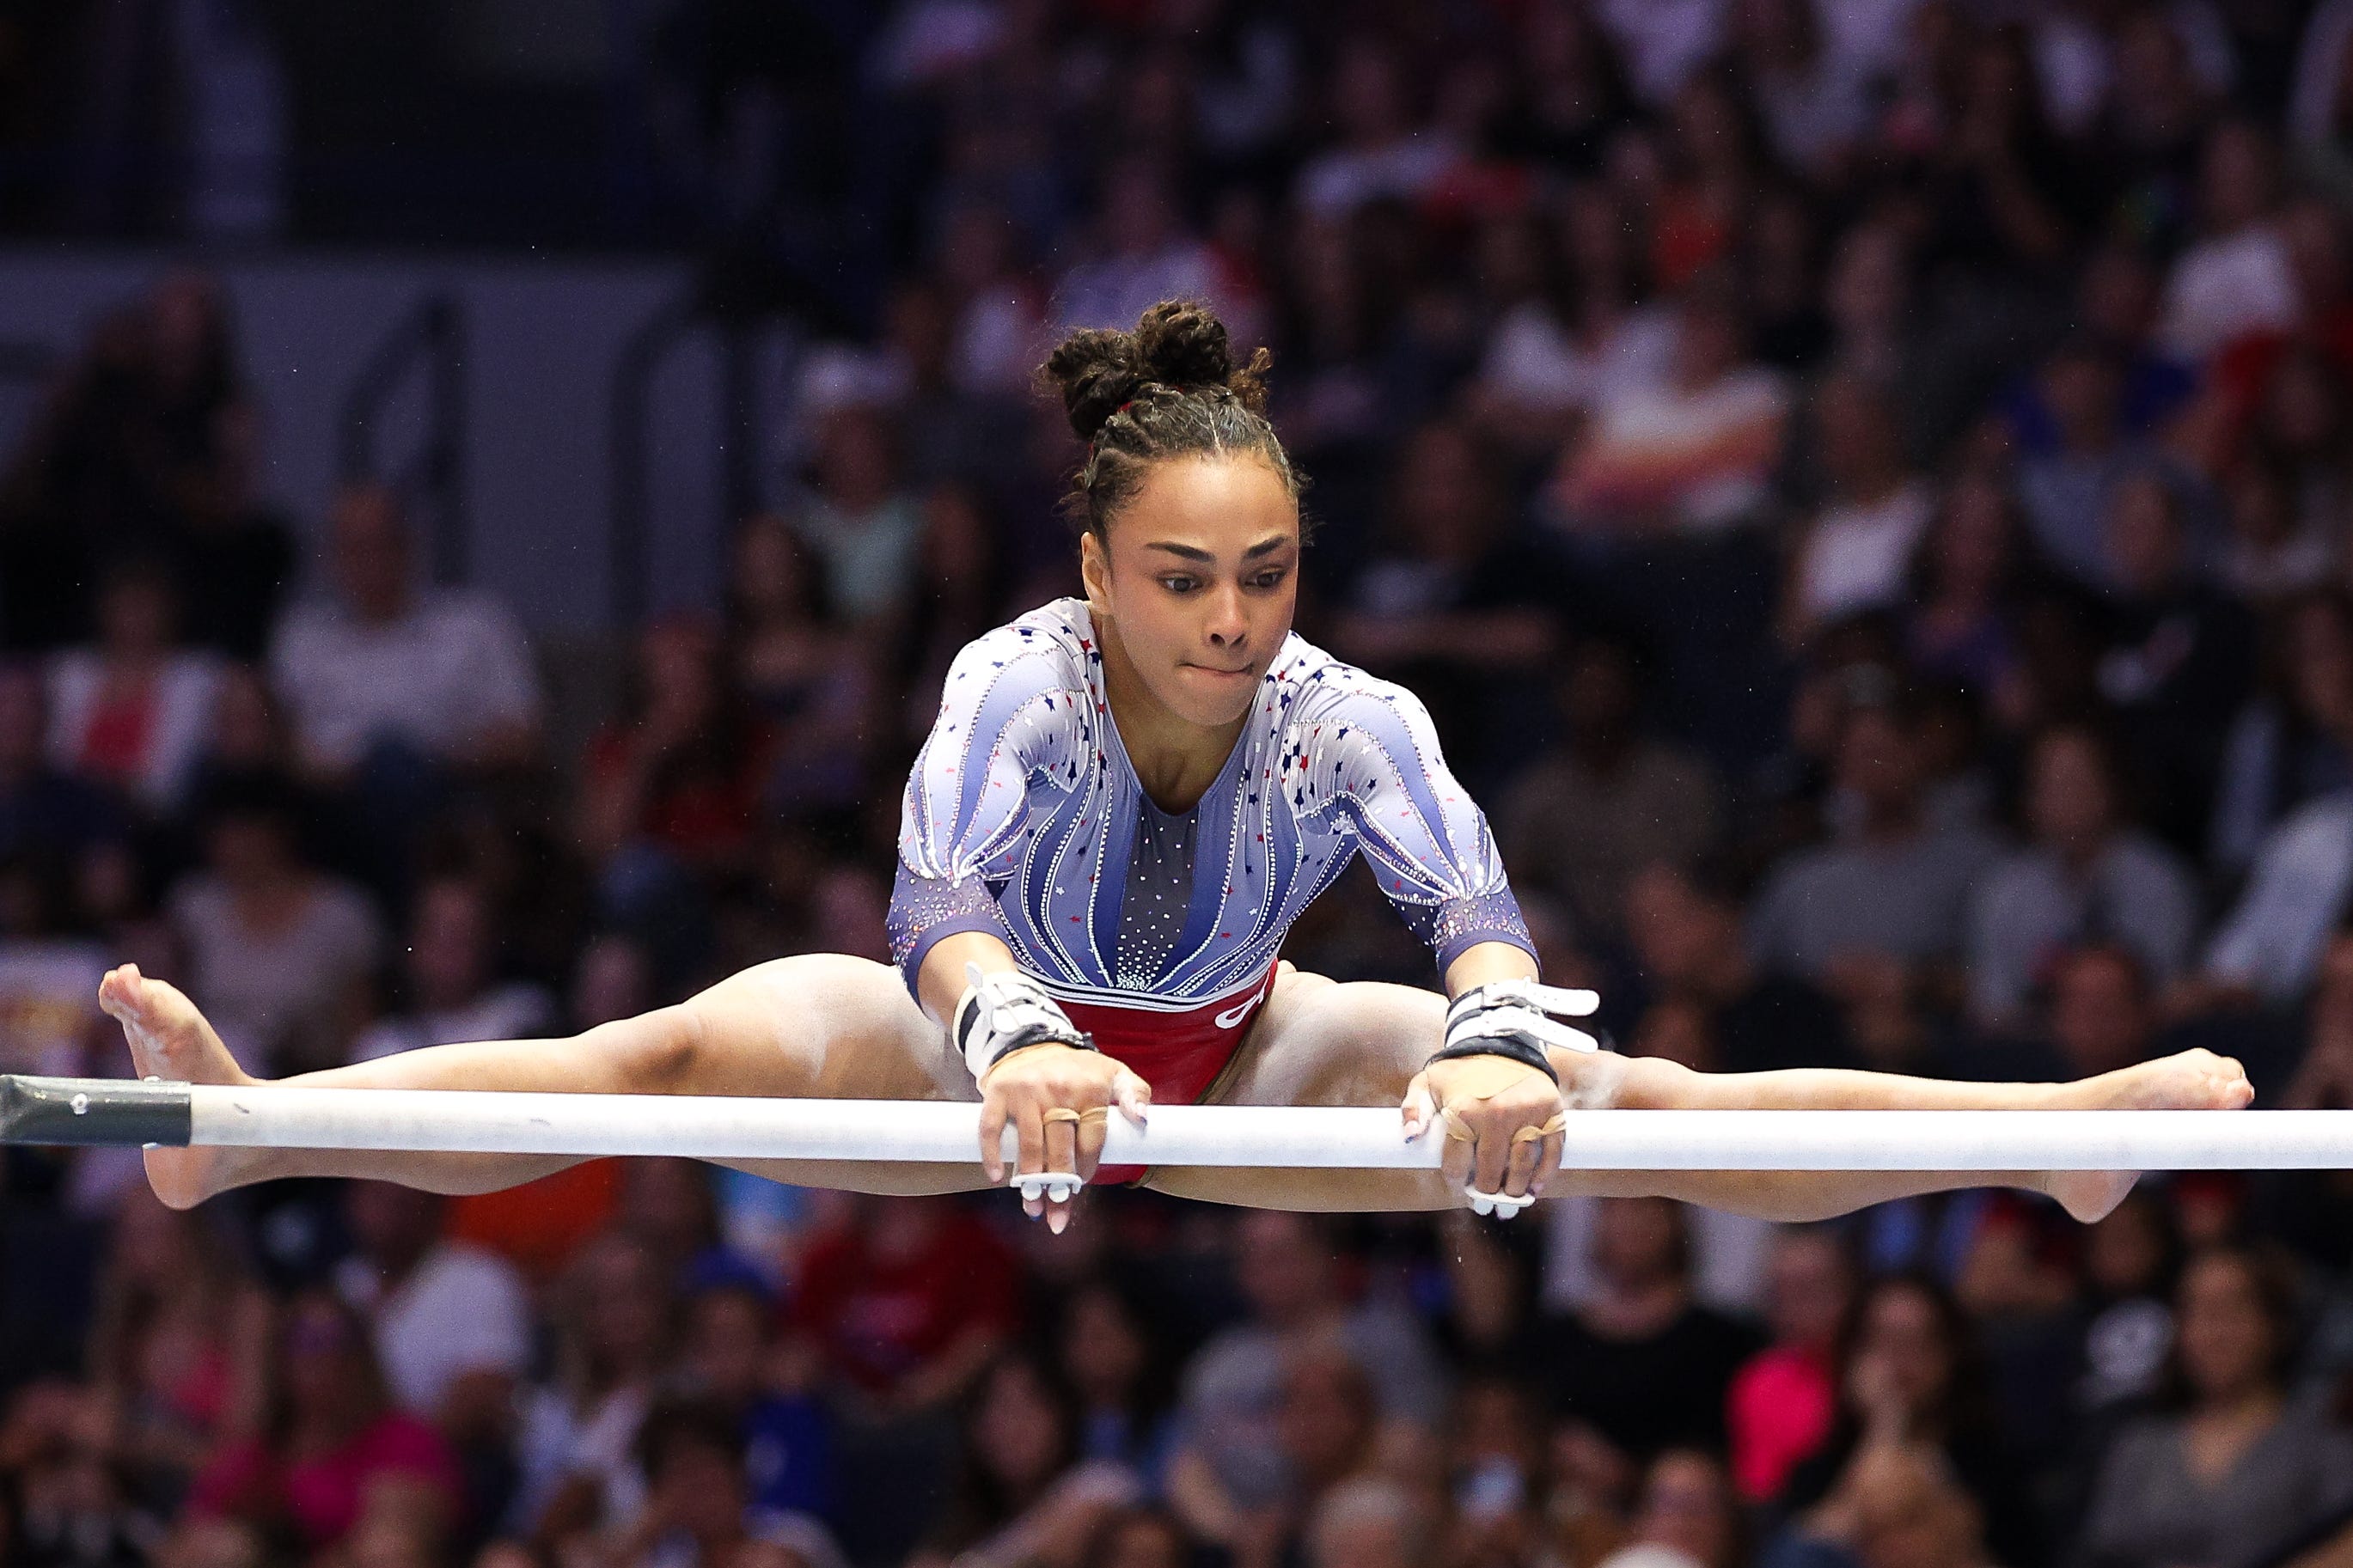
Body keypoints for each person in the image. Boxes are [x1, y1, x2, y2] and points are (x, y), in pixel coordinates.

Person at [98, 299, 2252, 1242]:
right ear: (1096, 571)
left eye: (1271, 571)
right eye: (1186, 578)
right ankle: (251, 1131)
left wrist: (1499, 1039)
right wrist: (1020, 1043)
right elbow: (931, 909)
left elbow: (1477, 911)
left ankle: (2055, 1135)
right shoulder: (1011, 687)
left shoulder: (1350, 714)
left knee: (1630, 1112)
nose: (1235, 621)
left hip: (1241, 1054)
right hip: (973, 1055)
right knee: (664, 1060)